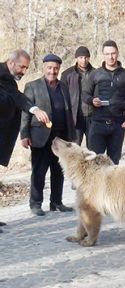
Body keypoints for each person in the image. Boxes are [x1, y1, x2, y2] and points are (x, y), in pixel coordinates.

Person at [20, 54, 76, 216]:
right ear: (43, 68)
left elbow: (68, 111)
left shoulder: (63, 86)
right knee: (39, 171)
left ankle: (56, 202)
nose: (53, 71)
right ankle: (36, 204)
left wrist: (71, 136)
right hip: (40, 136)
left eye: (56, 68)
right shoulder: (33, 86)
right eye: (50, 68)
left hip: (61, 137)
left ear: (59, 69)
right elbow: (26, 112)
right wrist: (24, 134)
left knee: (58, 170)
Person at [0, 49, 49, 230]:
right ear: (11, 62)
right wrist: (34, 109)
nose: (23, 71)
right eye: (22, 67)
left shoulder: (6, 77)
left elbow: (15, 96)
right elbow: (17, 97)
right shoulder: (3, 75)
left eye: (26, 68)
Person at [83, 40, 125, 164]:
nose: (110, 57)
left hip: (118, 124)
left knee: (114, 163)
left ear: (117, 53)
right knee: (95, 162)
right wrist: (92, 100)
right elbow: (85, 94)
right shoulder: (95, 74)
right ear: (103, 55)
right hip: (97, 123)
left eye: (113, 53)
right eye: (107, 54)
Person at [61, 46, 95, 147]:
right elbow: (62, 97)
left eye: (86, 57)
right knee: (74, 148)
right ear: (76, 58)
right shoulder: (67, 74)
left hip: (92, 117)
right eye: (80, 57)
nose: (83, 60)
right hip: (75, 118)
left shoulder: (96, 73)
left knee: (93, 148)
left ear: (89, 58)